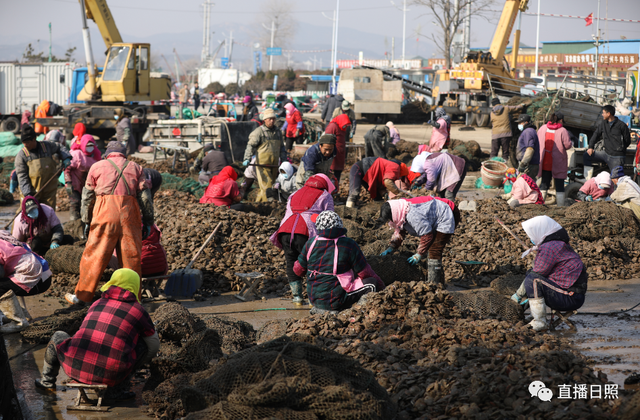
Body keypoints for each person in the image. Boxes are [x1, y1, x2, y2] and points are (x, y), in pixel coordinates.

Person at [35, 269, 160, 397]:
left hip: (74, 368)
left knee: (58, 336)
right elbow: (154, 345)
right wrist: (132, 365)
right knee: (143, 343)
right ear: (135, 286)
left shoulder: (97, 303)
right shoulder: (138, 311)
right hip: (113, 375)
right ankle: (120, 386)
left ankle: (47, 382)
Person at [65, 141, 154, 306]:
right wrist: (149, 220)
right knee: (131, 257)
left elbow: (87, 197)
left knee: (95, 255)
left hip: (104, 212)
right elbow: (145, 198)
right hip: (129, 214)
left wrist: (85, 220)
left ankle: (82, 297)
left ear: (107, 154)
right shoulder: (136, 167)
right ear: (123, 154)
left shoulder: (97, 167)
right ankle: (133, 299)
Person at [293, 211, 384, 313]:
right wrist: (382, 288)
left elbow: (298, 271)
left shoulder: (311, 243)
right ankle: (355, 313)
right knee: (372, 284)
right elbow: (365, 273)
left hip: (314, 299)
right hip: (335, 300)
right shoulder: (348, 244)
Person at [511, 216, 588, 331]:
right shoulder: (557, 244)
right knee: (530, 275)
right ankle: (535, 314)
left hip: (570, 297)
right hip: (570, 294)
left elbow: (538, 272)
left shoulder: (550, 247)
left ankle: (539, 321)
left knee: (533, 279)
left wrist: (518, 295)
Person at [270, 175, 335, 305]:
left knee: (291, 262)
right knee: (313, 263)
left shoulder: (295, 193)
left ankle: (297, 297)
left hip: (285, 231)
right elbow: (329, 217)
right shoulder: (325, 195)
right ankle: (312, 298)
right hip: (305, 232)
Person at [378, 197, 459, 285]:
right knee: (430, 248)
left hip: (447, 212)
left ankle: (434, 283)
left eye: (390, 219)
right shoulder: (400, 209)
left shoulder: (412, 215)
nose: (390, 222)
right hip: (434, 215)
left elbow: (427, 235)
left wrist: (419, 254)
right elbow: (400, 230)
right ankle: (435, 278)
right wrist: (392, 246)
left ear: (394, 214)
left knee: (434, 249)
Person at [0, 231, 52, 333]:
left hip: (36, 279)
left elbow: (1, 273)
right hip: (44, 272)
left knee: (1, 286)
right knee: (12, 279)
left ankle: (18, 322)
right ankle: (20, 313)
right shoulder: (2, 235)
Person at [15, 124, 71, 209]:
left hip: (48, 192)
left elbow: (59, 147)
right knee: (29, 217)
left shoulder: (46, 146)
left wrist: (66, 157)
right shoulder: (22, 155)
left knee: (48, 215)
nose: (25, 145)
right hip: (32, 193)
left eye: (27, 142)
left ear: (34, 139)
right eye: (24, 143)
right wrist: (28, 195)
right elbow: (22, 177)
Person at [243, 108, 287, 202]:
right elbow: (250, 145)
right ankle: (268, 205)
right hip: (262, 165)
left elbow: (282, 147)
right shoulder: (259, 131)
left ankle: (259, 203)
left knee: (269, 186)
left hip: (275, 165)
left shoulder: (278, 132)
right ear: (264, 120)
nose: (272, 121)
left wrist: (284, 159)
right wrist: (247, 158)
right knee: (267, 185)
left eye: (273, 119)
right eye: (269, 119)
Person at [584, 104, 632, 177]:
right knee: (586, 155)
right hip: (606, 154)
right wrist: (591, 147)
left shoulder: (621, 125)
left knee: (615, 179)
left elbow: (627, 141)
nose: (602, 114)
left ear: (608, 114)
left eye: (603, 113)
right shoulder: (603, 124)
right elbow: (596, 134)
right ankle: (587, 179)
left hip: (617, 157)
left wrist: (620, 149)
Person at [537, 111, 573, 207]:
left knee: (544, 183)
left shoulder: (542, 128)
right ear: (560, 120)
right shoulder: (562, 130)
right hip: (558, 161)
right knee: (559, 185)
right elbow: (568, 145)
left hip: (544, 161)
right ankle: (560, 206)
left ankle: (540, 205)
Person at [65, 134, 99, 220]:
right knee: (75, 203)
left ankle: (86, 223)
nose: (90, 148)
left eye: (92, 146)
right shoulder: (76, 154)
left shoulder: (96, 155)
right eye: (88, 146)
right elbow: (67, 168)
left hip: (88, 186)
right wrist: (68, 183)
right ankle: (75, 223)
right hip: (75, 185)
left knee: (88, 205)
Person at [490, 98, 524, 162]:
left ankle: (491, 165)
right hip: (506, 134)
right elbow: (516, 108)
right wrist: (522, 105)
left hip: (495, 135)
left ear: (493, 105)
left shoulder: (492, 112)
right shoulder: (506, 108)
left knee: (494, 152)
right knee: (505, 153)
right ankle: (504, 166)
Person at [325, 114, 351, 182]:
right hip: (333, 153)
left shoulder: (341, 127)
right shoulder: (333, 126)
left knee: (338, 172)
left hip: (340, 152)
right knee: (330, 171)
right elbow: (327, 140)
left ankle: (336, 187)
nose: (345, 126)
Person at [515, 114, 540, 179]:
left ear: (526, 122)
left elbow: (530, 149)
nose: (519, 124)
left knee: (526, 185)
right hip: (529, 164)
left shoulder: (528, 132)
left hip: (529, 165)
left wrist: (523, 163)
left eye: (520, 123)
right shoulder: (528, 131)